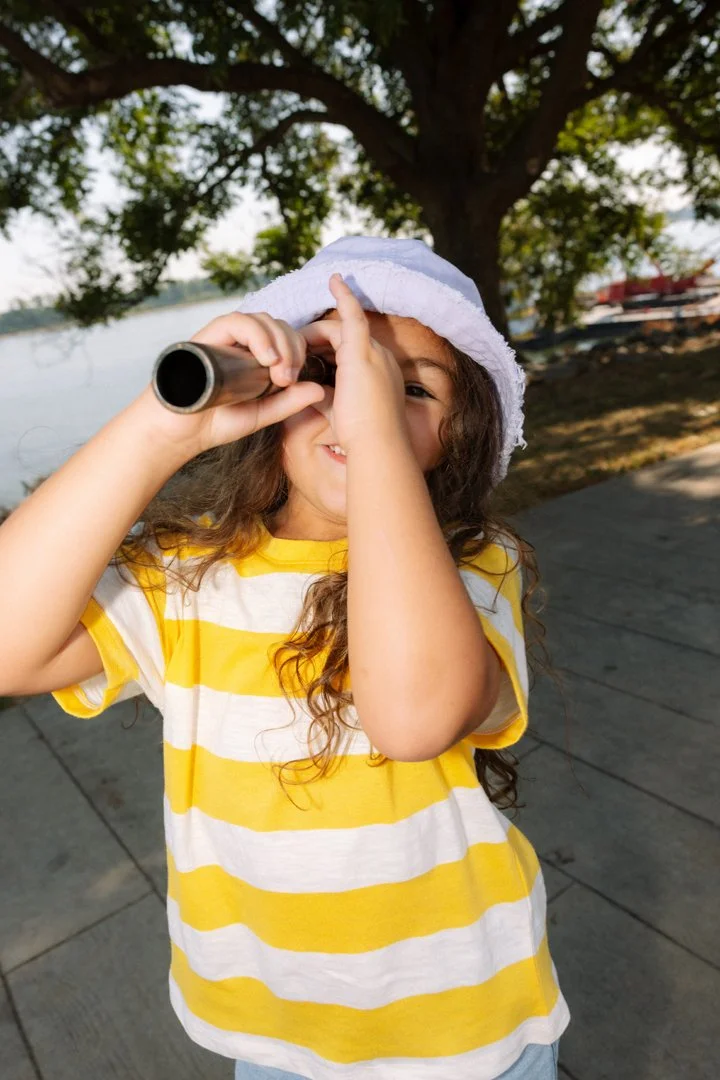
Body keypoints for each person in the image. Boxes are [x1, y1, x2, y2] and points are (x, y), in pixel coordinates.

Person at [0, 236, 570, 1079]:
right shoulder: (185, 579)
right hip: (270, 1028)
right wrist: (160, 431)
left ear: (461, 434)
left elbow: (413, 716)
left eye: (407, 387)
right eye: (334, 373)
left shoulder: (470, 569)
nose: (359, 407)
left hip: (459, 1022)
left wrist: (373, 441)